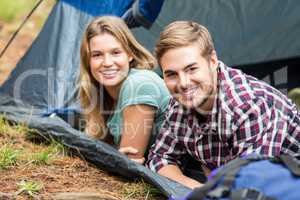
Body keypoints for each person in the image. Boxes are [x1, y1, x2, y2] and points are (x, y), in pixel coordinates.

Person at [146, 20, 300, 188]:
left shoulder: (248, 106)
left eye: (191, 69)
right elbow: (159, 159)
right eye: (171, 74)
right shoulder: (180, 102)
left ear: (212, 60)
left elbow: (249, 186)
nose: (183, 83)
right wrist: (196, 189)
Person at [79, 16, 170, 164]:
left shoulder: (139, 85)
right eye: (97, 55)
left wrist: (116, 159)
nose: (107, 63)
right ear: (88, 61)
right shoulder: (103, 95)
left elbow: (129, 164)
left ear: (130, 54)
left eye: (116, 52)